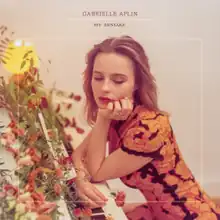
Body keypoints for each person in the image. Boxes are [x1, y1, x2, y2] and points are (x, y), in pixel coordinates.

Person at [72, 35, 220, 220]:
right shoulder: (118, 111)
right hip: (158, 210)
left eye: (118, 81)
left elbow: (97, 172)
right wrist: (80, 179)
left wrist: (102, 119)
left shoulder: (149, 128)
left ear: (136, 84)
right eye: (98, 77)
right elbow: (79, 155)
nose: (104, 88)